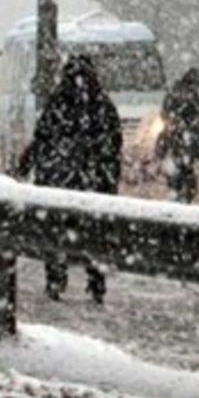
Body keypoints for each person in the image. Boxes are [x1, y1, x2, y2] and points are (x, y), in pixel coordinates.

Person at [19, 55, 122, 304]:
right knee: (94, 236)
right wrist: (108, 178)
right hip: (93, 184)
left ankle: (56, 281)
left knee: (56, 234)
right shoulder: (102, 104)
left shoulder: (57, 103)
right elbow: (114, 144)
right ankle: (96, 284)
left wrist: (27, 165)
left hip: (60, 183)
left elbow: (41, 138)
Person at [156, 68, 199, 203]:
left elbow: (165, 114)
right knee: (185, 179)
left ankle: (176, 200)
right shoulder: (189, 96)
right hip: (181, 144)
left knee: (175, 177)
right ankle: (180, 206)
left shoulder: (173, 93)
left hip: (172, 144)